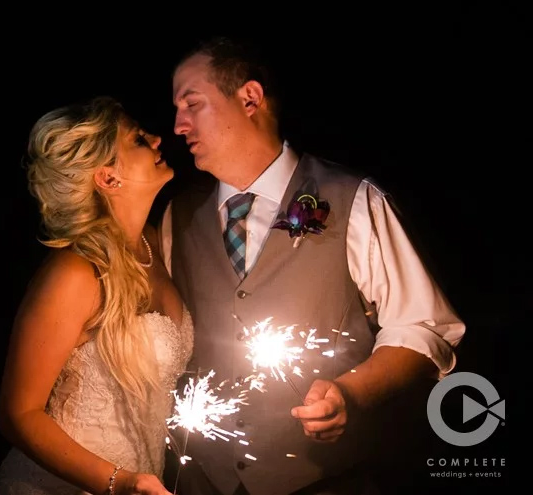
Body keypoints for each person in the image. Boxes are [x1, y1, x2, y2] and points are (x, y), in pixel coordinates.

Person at [160, 36, 466, 495]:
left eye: (192, 104)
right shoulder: (176, 217)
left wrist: (351, 394)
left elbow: (424, 328)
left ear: (250, 98)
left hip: (326, 481)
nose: (178, 126)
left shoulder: (353, 199)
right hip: (204, 481)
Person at [0, 96, 193, 495]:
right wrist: (118, 483)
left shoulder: (158, 242)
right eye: (137, 139)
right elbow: (17, 414)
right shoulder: (75, 273)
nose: (156, 139)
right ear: (107, 178)